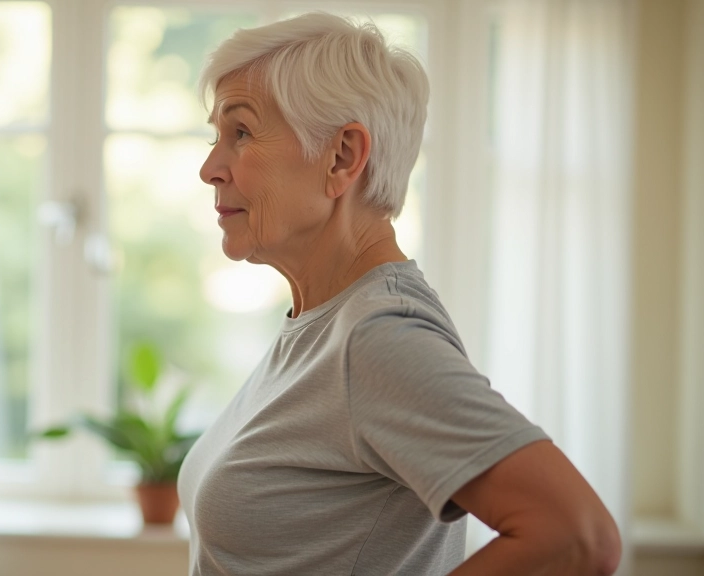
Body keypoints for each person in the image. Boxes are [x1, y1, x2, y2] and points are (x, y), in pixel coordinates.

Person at [177, 12, 621, 576]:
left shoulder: (376, 336)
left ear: (342, 157)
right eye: (217, 136)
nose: (210, 167)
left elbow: (576, 537)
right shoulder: (323, 322)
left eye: (240, 132)